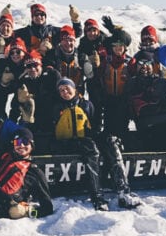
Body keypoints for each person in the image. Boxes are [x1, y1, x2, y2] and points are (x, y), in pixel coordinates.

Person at [44, 78, 143, 210]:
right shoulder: (56, 107)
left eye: (67, 88)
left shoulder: (86, 105)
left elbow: (94, 126)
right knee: (91, 148)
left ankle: (123, 191)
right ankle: (97, 196)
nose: (64, 92)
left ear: (75, 89)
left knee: (110, 141)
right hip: (66, 142)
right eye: (61, 90)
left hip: (85, 138)